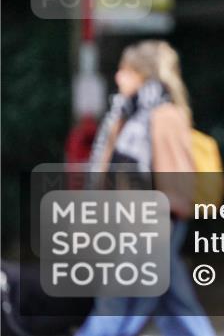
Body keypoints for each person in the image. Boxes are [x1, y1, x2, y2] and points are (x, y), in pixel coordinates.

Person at [77, 41, 215, 336]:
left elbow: (175, 174)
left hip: (152, 221)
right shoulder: (127, 113)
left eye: (124, 71)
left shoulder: (164, 114)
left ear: (141, 74)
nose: (118, 78)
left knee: (117, 306)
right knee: (174, 305)